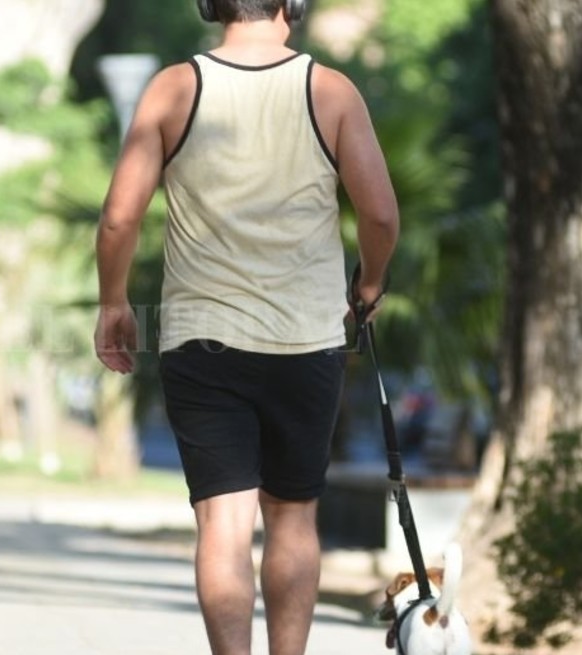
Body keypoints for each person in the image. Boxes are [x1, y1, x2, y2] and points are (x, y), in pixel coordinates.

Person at [93, 2, 400, 654]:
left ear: (212, 5)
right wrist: (369, 283)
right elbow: (380, 214)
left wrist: (113, 301)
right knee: (292, 519)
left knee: (223, 524)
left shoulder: (175, 88)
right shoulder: (330, 90)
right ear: (294, 3)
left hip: (202, 339)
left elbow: (120, 218)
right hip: (305, 340)